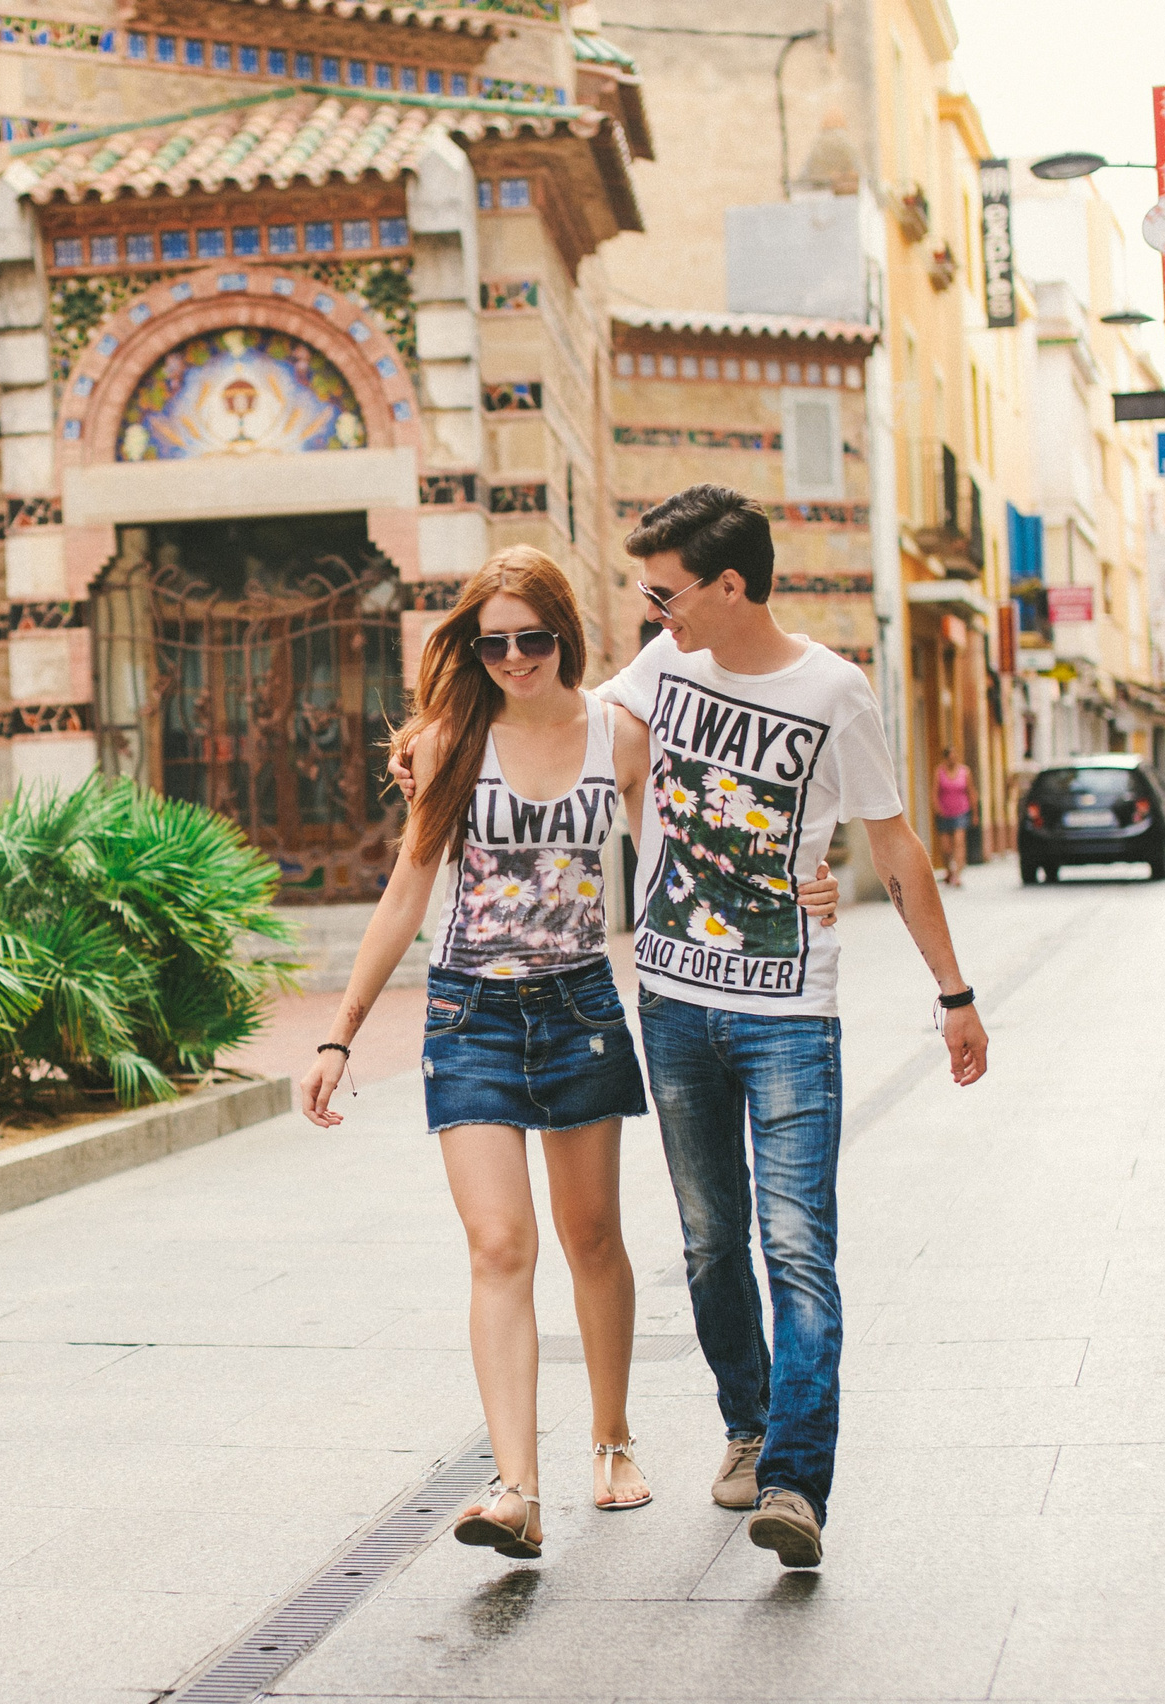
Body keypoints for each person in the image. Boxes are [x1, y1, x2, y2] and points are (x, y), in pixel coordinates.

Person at [300, 545, 839, 1561]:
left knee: (591, 1239)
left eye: (531, 638)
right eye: (491, 641)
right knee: (500, 1245)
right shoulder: (450, 742)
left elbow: (690, 856)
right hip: (468, 1015)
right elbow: (407, 891)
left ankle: (611, 1435)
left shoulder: (616, 735)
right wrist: (339, 1032)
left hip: (583, 1006)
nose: (512, 657)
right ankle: (515, 1489)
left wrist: (802, 885)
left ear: (564, 636)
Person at [601, 484, 985, 1572]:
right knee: (711, 1245)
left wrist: (951, 995)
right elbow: (566, 733)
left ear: (730, 585)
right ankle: (746, 1420)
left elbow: (896, 845)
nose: (653, 608)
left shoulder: (833, 689)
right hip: (672, 1002)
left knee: (797, 1250)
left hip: (787, 1014)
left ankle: (795, 1483)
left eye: (667, 591)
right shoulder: (657, 666)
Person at [930, 748, 975, 889]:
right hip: (944, 814)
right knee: (945, 848)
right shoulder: (939, 772)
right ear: (945, 759)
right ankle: (949, 872)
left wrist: (974, 814)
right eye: (950, 758)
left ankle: (957, 876)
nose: (952, 760)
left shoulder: (965, 772)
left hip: (961, 812)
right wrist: (937, 809)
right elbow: (934, 792)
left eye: (955, 757)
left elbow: (971, 791)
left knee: (959, 843)